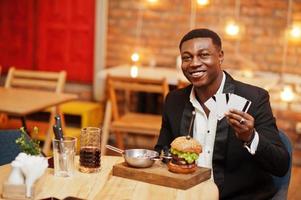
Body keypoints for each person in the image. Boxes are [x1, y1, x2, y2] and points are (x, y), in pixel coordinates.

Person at [155, 28, 290, 199]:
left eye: (203, 55)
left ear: (220, 56)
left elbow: (281, 165)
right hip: (187, 193)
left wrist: (250, 137)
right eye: (186, 57)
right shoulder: (174, 100)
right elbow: (163, 150)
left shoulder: (254, 98)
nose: (194, 63)